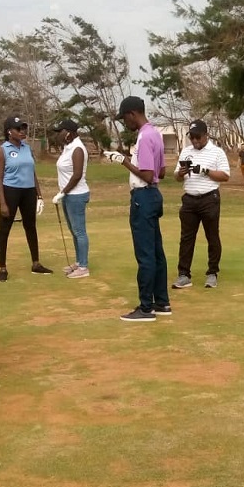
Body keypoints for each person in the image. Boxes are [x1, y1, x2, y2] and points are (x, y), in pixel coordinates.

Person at [105, 96, 170, 322]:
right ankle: (162, 302)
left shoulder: (143, 137)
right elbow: (161, 173)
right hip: (154, 197)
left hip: (143, 196)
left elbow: (148, 175)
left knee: (145, 255)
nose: (125, 122)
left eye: (125, 118)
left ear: (133, 113)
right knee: (156, 252)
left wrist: (122, 160)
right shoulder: (156, 134)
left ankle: (146, 308)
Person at [172, 120, 231, 289]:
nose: (195, 141)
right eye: (192, 137)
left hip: (209, 199)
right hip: (189, 199)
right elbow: (176, 177)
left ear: (206, 135)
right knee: (186, 238)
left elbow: (225, 176)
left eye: (198, 137)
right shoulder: (186, 151)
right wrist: (181, 173)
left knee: (212, 236)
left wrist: (205, 170)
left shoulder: (216, 152)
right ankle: (184, 275)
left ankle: (212, 273)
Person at [0, 115, 52, 282]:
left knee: (31, 226)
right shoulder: (2, 149)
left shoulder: (27, 148)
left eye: (23, 128)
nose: (22, 131)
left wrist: (39, 194)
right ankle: (2, 267)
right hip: (11, 191)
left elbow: (32, 172)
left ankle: (36, 263)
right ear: (9, 131)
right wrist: (2, 202)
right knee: (4, 229)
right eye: (19, 129)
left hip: (28, 192)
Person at [52, 119, 90, 279]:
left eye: (60, 131)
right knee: (74, 231)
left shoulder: (78, 149)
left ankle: (83, 267)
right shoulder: (68, 148)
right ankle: (78, 261)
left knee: (79, 231)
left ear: (68, 132)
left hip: (76, 195)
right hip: (68, 195)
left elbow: (77, 175)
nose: (58, 135)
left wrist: (62, 192)